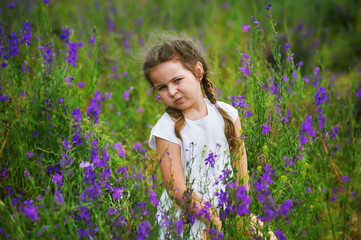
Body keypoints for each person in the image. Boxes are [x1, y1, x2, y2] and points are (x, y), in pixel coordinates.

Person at [143, 33, 249, 239]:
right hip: (189, 215)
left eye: (177, 80)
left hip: (227, 206)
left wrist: (242, 213)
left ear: (198, 71)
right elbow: (176, 189)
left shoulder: (228, 114)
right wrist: (213, 220)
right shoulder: (166, 129)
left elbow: (241, 171)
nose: (172, 91)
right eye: (162, 87)